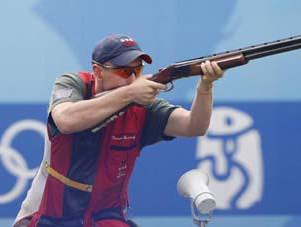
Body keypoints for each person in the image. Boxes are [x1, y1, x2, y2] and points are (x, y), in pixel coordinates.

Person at [14, 34, 225, 227]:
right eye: (125, 71)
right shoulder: (74, 83)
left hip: (105, 216)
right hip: (51, 215)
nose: (133, 79)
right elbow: (66, 120)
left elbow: (194, 126)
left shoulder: (142, 107)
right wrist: (130, 94)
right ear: (98, 71)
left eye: (138, 70)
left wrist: (205, 87)